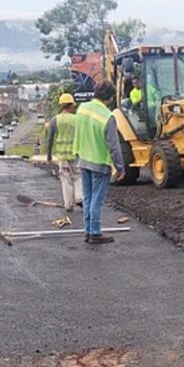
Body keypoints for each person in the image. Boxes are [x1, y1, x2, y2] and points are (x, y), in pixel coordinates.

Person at [73, 80, 125, 244]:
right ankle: (95, 232)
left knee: (87, 197)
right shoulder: (107, 116)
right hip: (99, 162)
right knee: (97, 199)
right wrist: (120, 167)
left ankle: (88, 231)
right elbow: (113, 145)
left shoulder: (82, 109)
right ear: (109, 97)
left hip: (83, 158)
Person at [45, 93, 83, 212]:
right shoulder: (77, 119)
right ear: (71, 105)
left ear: (61, 105)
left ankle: (68, 204)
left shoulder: (55, 120)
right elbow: (81, 137)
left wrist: (49, 156)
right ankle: (79, 197)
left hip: (62, 155)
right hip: (75, 153)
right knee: (77, 176)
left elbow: (50, 139)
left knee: (65, 178)